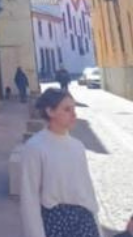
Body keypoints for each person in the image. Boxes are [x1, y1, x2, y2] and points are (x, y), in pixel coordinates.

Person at [18, 88, 100, 237]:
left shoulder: (78, 146)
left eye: (74, 108)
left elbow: (87, 189)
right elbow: (29, 197)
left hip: (84, 222)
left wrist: (97, 227)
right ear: (50, 111)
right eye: (67, 109)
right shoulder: (35, 147)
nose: (74, 114)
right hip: (55, 224)